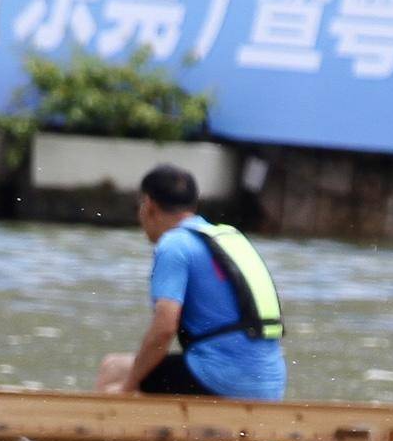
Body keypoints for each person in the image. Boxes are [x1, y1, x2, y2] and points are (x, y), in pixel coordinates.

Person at [97, 165, 284, 401]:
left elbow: (164, 328)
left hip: (221, 379)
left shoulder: (173, 244)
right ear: (193, 206)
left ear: (148, 205)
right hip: (271, 385)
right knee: (125, 369)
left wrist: (129, 387)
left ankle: (109, 433)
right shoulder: (229, 236)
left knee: (114, 371)